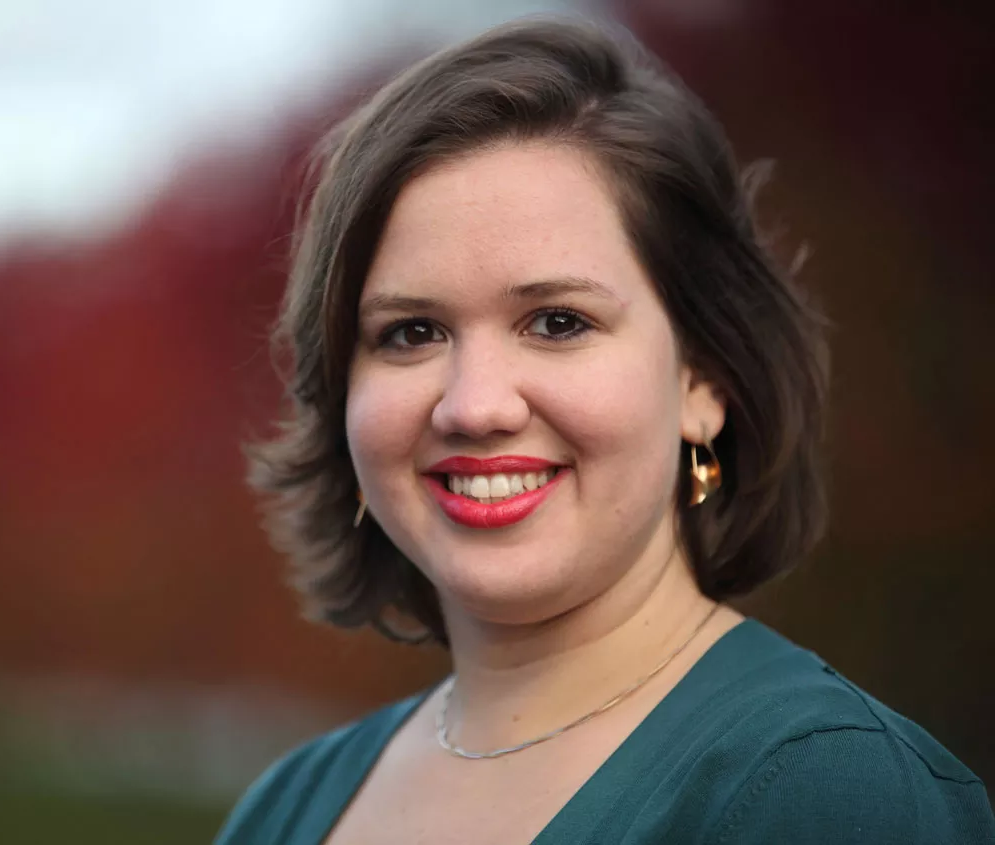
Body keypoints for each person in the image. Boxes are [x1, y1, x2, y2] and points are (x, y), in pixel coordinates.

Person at [215, 17, 995, 845]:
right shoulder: (284, 808)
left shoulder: (831, 793)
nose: (473, 406)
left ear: (703, 379)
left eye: (558, 321)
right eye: (411, 332)